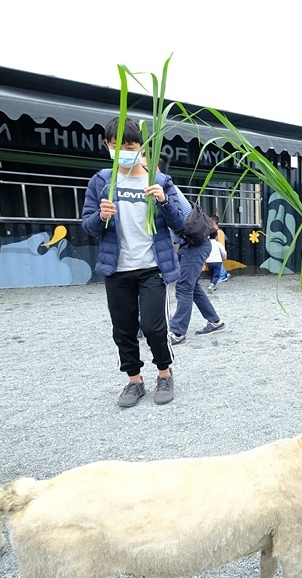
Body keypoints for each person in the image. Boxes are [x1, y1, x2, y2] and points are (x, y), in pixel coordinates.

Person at [81, 117, 186, 407]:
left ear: (142, 148)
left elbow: (180, 223)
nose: (123, 151)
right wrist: (100, 217)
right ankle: (134, 381)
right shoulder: (102, 182)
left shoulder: (159, 180)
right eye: (117, 146)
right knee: (123, 329)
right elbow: (87, 226)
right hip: (117, 268)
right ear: (108, 146)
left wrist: (164, 201)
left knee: (153, 328)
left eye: (129, 146)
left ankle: (164, 374)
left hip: (153, 267)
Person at [160, 155, 226, 346]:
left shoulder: (167, 189)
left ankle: (178, 332)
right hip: (189, 245)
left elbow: (178, 221)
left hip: (194, 245)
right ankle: (215, 321)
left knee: (183, 287)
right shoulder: (165, 189)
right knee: (192, 286)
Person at [210, 214, 231, 282]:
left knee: (219, 265)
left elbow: (220, 241)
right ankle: (225, 274)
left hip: (218, 251)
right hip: (218, 250)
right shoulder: (219, 231)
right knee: (219, 264)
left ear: (213, 223)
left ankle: (222, 276)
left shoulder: (218, 231)